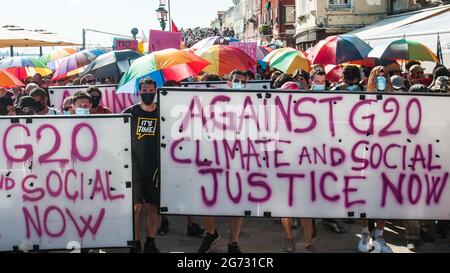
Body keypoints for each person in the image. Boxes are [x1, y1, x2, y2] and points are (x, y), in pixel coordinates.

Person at [199, 70, 248, 254]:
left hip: (239, 158)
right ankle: (211, 233)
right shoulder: (216, 99)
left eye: (242, 82)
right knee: (204, 197)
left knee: (238, 202)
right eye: (235, 80)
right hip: (214, 156)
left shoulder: (252, 101)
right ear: (229, 81)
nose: (238, 84)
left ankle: (233, 243)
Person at [123, 78, 160, 253]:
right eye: (144, 89)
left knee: (153, 206)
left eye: (150, 89)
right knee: (136, 207)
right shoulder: (130, 112)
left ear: (156, 91)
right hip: (135, 166)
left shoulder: (162, 112)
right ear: (139, 91)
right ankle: (135, 242)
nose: (147, 92)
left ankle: (150, 242)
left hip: (156, 168)